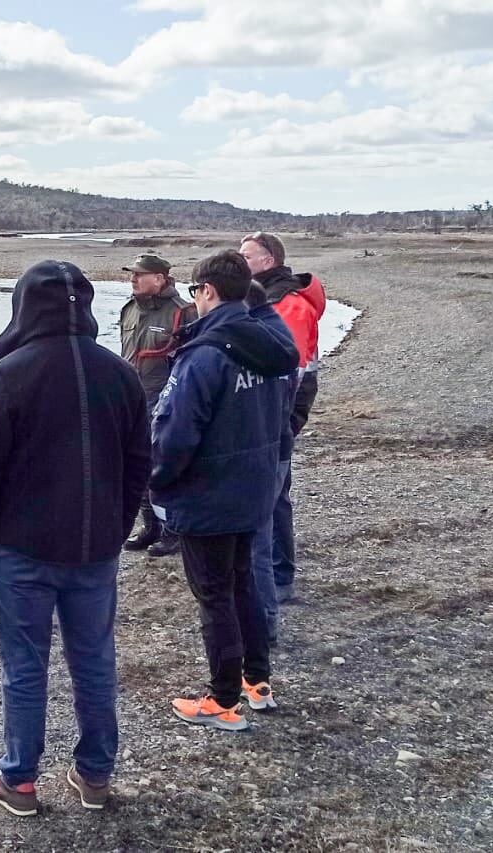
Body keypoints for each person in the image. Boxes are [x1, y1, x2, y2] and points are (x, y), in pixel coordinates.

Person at [0, 260, 150, 815]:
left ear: (24, 307)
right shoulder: (119, 374)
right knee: (93, 661)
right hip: (89, 549)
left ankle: (19, 781)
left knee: (24, 667)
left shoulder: (10, 374)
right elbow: (141, 465)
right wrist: (115, 527)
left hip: (23, 550)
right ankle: (94, 775)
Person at [150, 251, 297, 733]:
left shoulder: (207, 353)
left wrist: (157, 479)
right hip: (254, 485)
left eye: (196, 292)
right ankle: (257, 681)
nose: (195, 300)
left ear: (207, 291)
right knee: (243, 585)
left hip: (210, 494)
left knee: (216, 595)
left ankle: (223, 699)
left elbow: (175, 432)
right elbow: (283, 413)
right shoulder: (270, 344)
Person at [239, 232, 327, 604]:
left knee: (272, 499)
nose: (240, 262)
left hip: (275, 421)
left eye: (246, 256)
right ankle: (269, 571)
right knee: (268, 497)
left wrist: (281, 426)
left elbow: (289, 375)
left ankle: (279, 575)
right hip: (267, 420)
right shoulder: (263, 300)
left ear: (268, 260)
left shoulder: (287, 305)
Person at [117, 254, 197, 557]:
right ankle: (149, 526)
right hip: (131, 399)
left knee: (166, 466)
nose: (133, 279)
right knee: (137, 465)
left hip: (167, 402)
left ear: (160, 279)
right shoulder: (129, 309)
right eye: (132, 274)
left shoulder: (184, 312)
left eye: (140, 274)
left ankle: (172, 530)